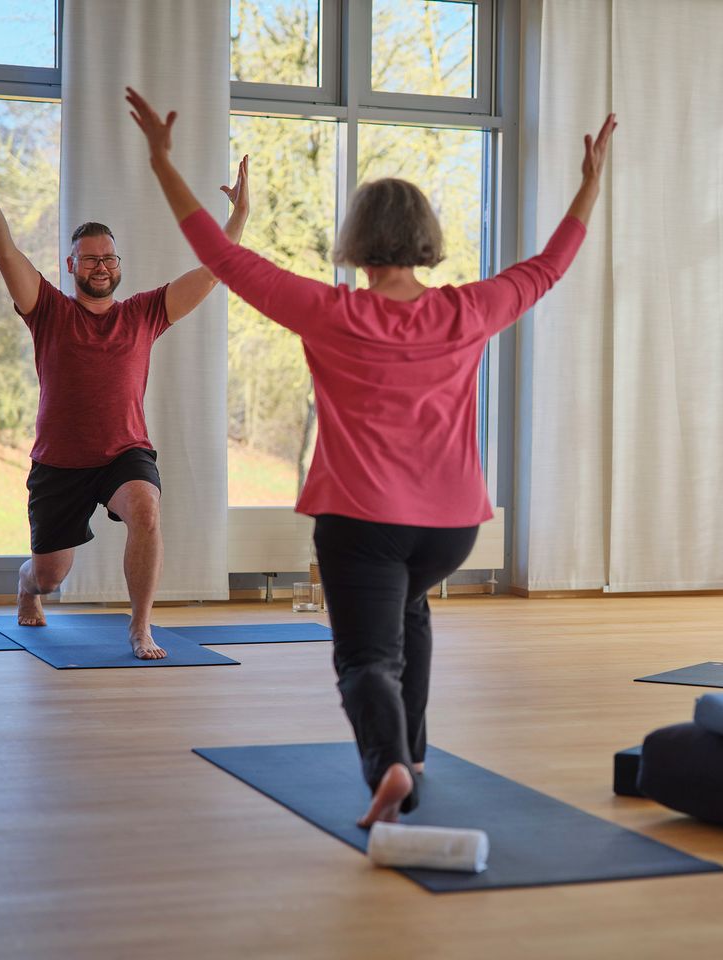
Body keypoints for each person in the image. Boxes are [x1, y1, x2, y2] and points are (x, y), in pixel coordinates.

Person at [126, 86, 615, 824]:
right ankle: (412, 751)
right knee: (411, 608)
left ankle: (386, 764)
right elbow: (550, 264)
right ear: (425, 238)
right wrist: (590, 184)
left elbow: (221, 256)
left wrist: (163, 162)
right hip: (452, 531)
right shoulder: (469, 308)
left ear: (356, 240)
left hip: (362, 523)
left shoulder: (331, 311)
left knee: (364, 660)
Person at [0, 121, 250, 659]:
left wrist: (238, 215)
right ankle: (27, 585)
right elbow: (3, 248)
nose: (101, 266)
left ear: (119, 265)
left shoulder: (145, 313)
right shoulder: (47, 309)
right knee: (53, 573)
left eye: (109, 258)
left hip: (125, 451)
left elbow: (214, 272)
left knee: (145, 510)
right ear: (71, 265)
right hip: (60, 461)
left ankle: (139, 626)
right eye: (91, 258)